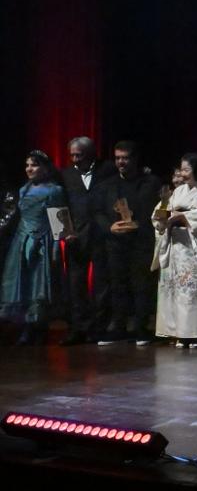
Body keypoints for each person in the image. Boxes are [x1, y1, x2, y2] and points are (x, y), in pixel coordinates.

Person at [95, 141, 163, 345]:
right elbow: (97, 212)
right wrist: (109, 227)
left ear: (135, 159)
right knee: (118, 286)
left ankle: (142, 328)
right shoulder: (107, 184)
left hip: (141, 242)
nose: (121, 162)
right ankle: (119, 328)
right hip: (116, 244)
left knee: (141, 287)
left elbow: (161, 207)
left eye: (125, 158)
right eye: (117, 158)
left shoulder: (151, 182)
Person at [0, 150, 67, 344]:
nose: (29, 169)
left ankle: (38, 326)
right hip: (22, 241)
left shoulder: (54, 191)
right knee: (23, 283)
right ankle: (24, 326)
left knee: (40, 285)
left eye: (34, 165)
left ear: (45, 168)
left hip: (42, 242)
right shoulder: (23, 190)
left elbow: (59, 221)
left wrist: (56, 246)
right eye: (27, 165)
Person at [152, 153, 197, 346]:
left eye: (187, 170)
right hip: (175, 246)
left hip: (192, 247)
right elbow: (161, 212)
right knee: (174, 291)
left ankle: (195, 334)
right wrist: (164, 215)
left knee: (191, 291)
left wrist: (182, 217)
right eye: (181, 169)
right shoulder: (178, 191)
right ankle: (177, 332)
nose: (183, 174)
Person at [59, 136, 113, 345]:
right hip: (76, 236)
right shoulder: (65, 175)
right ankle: (77, 328)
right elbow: (59, 204)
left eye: (79, 155)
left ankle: (98, 328)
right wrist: (66, 232)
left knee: (102, 284)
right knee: (75, 284)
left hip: (102, 235)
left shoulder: (107, 170)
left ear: (91, 154)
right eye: (72, 155)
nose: (75, 159)